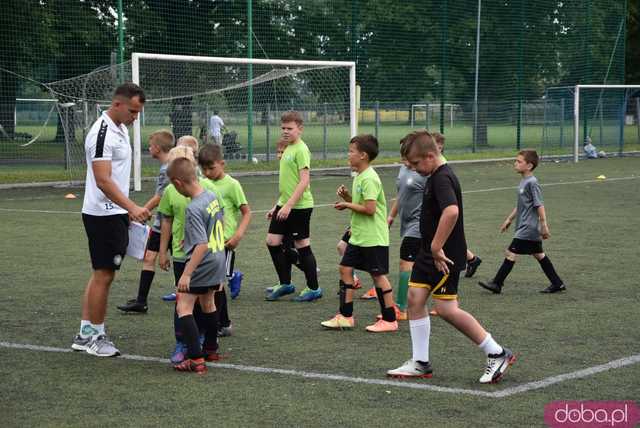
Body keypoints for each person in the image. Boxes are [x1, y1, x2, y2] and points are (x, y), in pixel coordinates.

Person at [387, 131, 515, 383]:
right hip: (429, 253)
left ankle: (497, 352)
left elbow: (451, 212)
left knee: (445, 309)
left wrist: (436, 248)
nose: (413, 169)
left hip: (444, 256)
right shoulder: (433, 174)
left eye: (415, 164)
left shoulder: (443, 178)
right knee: (414, 299)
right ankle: (420, 362)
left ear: (431, 155)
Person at [71, 82, 149, 357]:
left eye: (138, 112)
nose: (135, 117)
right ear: (117, 104)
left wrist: (125, 209)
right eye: (132, 110)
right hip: (102, 214)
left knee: (102, 274)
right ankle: (96, 337)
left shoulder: (121, 129)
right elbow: (103, 180)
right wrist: (132, 206)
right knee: (104, 275)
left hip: (113, 212)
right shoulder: (102, 133)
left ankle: (85, 334)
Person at [321, 134, 398, 333]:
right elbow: (362, 203)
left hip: (373, 237)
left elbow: (370, 209)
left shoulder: (370, 178)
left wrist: (347, 203)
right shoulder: (360, 176)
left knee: (377, 276)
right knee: (345, 269)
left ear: (363, 155)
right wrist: (348, 197)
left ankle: (390, 319)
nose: (348, 155)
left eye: (351, 151)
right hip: (359, 235)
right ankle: (346, 316)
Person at [166, 157, 227, 374]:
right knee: (208, 303)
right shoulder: (211, 196)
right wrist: (190, 238)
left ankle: (195, 358)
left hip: (203, 262)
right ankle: (211, 348)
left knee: (184, 306)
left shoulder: (192, 208)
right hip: (219, 258)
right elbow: (217, 223)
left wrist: (186, 274)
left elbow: (201, 245)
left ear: (178, 183)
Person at [478, 149, 566, 294]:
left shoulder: (532, 183)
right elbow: (521, 205)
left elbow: (539, 204)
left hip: (528, 227)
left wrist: (544, 225)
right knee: (539, 254)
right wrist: (509, 219)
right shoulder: (524, 181)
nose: (515, 164)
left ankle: (497, 283)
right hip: (524, 226)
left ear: (529, 166)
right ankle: (557, 283)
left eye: (519, 162)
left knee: (510, 253)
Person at [265, 111, 322, 302]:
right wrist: (278, 205)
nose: (286, 132)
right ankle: (285, 284)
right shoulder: (288, 148)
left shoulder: (301, 149)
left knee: (302, 245)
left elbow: (304, 181)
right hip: (285, 205)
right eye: (283, 128)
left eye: (290, 128)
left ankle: (314, 288)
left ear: (300, 129)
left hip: (300, 207)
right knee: (273, 242)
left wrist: (288, 205)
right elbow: (288, 184)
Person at [118, 129, 174, 313]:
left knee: (185, 261)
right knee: (149, 257)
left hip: (173, 224)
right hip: (160, 223)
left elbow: (161, 197)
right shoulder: (166, 167)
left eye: (150, 145)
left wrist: (142, 210)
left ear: (157, 148)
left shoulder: (168, 169)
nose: (148, 148)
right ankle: (141, 301)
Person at [198, 144, 252, 336]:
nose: (207, 172)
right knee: (211, 285)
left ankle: (222, 324)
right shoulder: (202, 184)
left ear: (222, 164)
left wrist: (237, 235)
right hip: (207, 243)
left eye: (211, 168)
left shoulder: (232, 185)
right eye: (203, 169)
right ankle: (220, 323)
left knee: (218, 285)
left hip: (225, 243)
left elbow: (246, 212)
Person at [160, 135, 200, 302]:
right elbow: (166, 220)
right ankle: (184, 328)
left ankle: (219, 325)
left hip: (203, 253)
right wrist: (163, 252)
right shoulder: (170, 191)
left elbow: (217, 221)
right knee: (183, 300)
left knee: (206, 300)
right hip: (179, 251)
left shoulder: (207, 188)